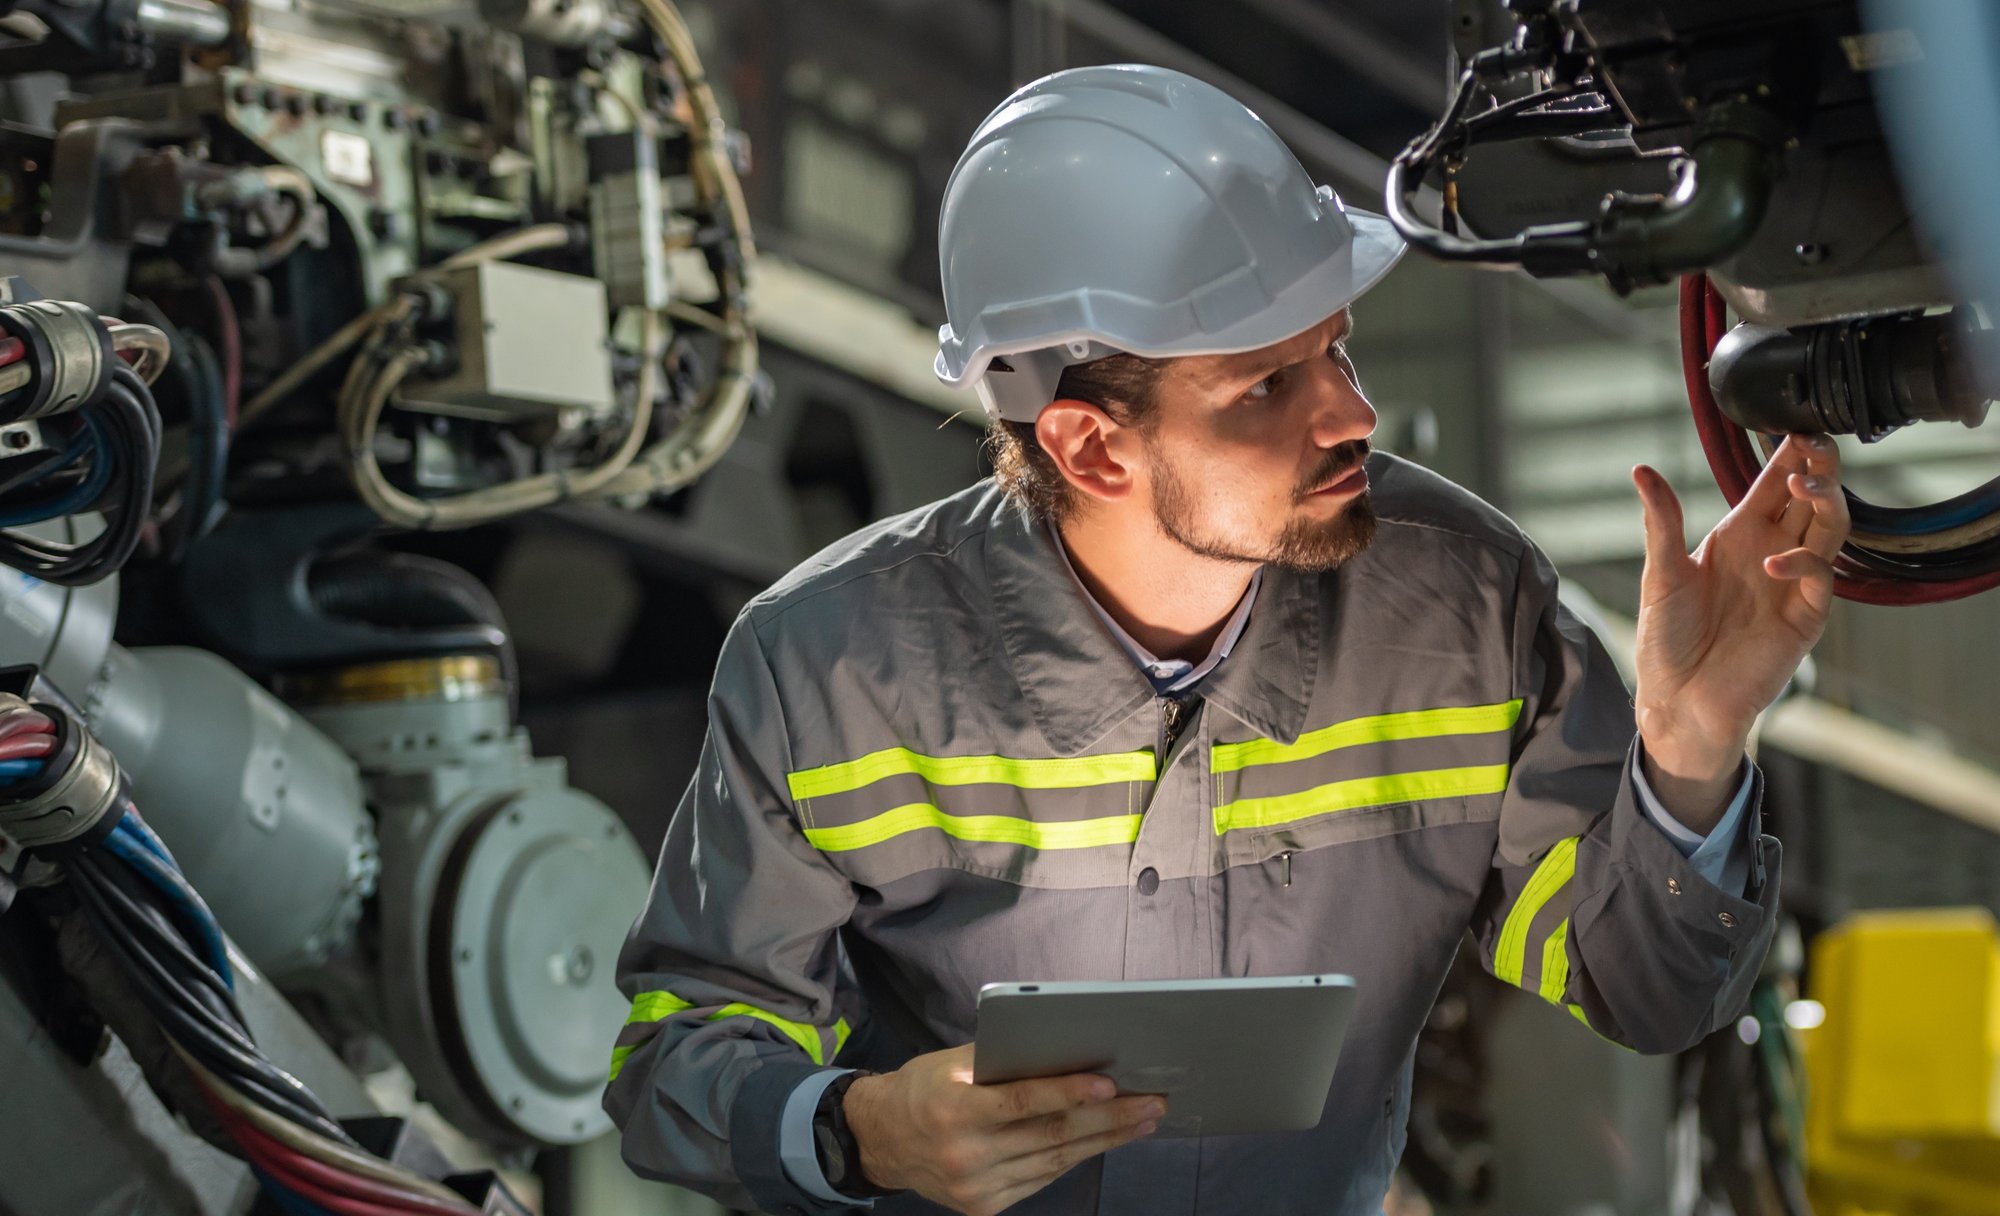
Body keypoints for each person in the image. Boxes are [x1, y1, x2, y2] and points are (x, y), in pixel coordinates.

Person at [603, 64, 1846, 1216]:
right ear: (1091, 446)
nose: (1351, 412)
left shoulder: (1464, 608)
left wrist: (1688, 747)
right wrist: (857, 1128)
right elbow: (677, 1056)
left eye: (1335, 349)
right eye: (1265, 384)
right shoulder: (827, 668)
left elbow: (1645, 988)